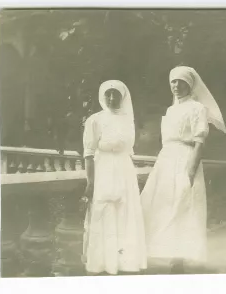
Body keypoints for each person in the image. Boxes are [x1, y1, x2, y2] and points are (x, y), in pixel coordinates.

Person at [140, 66, 226, 274]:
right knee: (161, 204)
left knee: (183, 205)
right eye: (173, 82)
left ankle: (179, 259)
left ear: (190, 85)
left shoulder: (197, 108)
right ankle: (166, 252)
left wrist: (190, 170)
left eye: (181, 82)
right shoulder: (170, 110)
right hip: (166, 160)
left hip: (186, 159)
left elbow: (199, 142)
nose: (176, 86)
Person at [82, 80, 147, 275]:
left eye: (116, 95)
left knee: (125, 211)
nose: (111, 98)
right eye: (108, 94)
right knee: (105, 210)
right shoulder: (95, 119)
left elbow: (128, 149)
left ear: (122, 98)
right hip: (103, 168)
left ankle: (123, 262)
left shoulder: (128, 120)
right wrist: (90, 182)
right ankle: (103, 262)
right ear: (103, 96)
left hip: (124, 169)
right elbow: (88, 152)